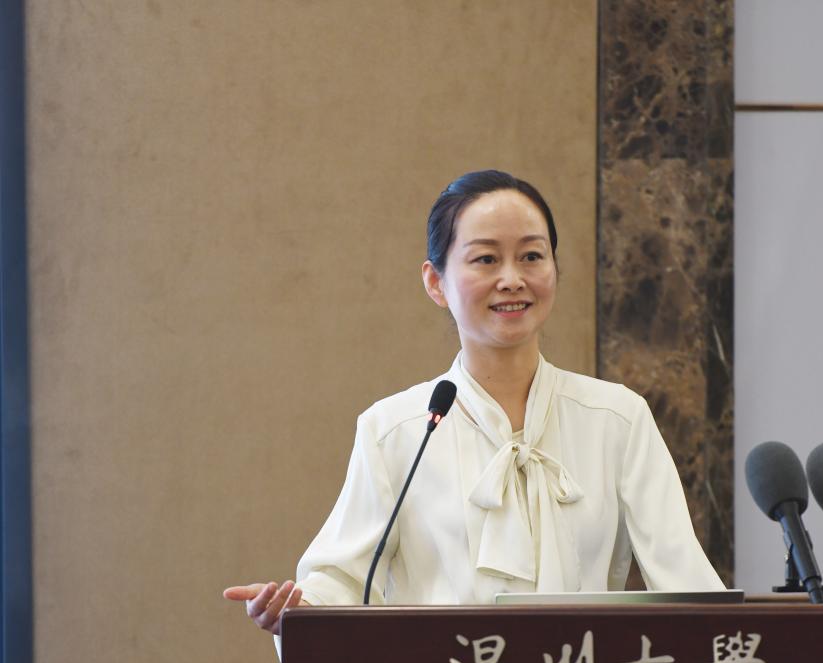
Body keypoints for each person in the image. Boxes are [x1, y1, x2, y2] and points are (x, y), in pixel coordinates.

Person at [224, 170, 723, 634]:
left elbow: (686, 584)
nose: (512, 279)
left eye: (532, 256)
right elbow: (339, 583)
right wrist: (298, 613)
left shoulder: (617, 419)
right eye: (486, 259)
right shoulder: (395, 430)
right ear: (435, 282)